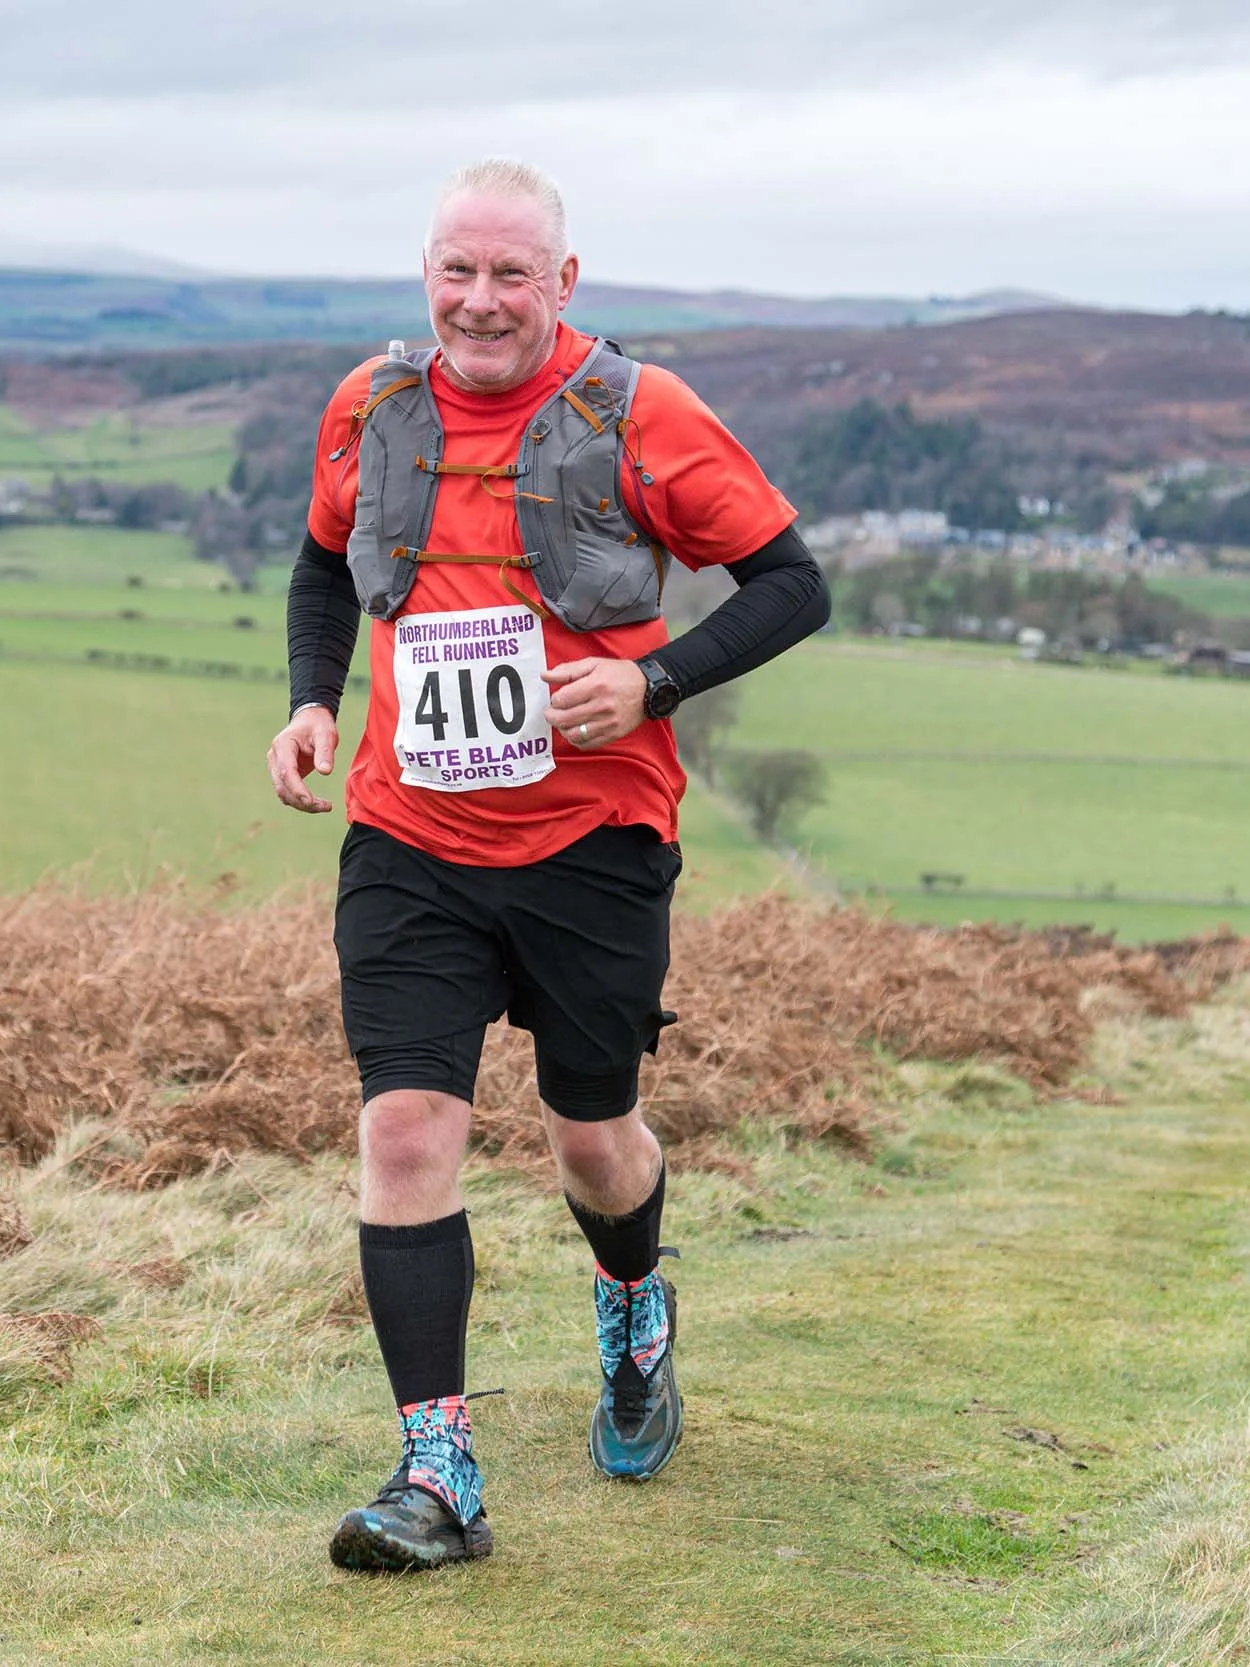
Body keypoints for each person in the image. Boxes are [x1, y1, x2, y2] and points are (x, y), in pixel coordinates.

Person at [266, 158, 831, 1573]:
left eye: (512, 273)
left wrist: (652, 681)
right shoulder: (373, 403)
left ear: (563, 283)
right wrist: (312, 697)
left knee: (593, 1131)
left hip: (594, 839)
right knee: (404, 1129)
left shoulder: (639, 414)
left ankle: (635, 1306)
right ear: (426, 273)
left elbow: (791, 583)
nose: (481, 299)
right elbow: (325, 560)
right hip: (411, 834)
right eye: (459, 269)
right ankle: (436, 1470)